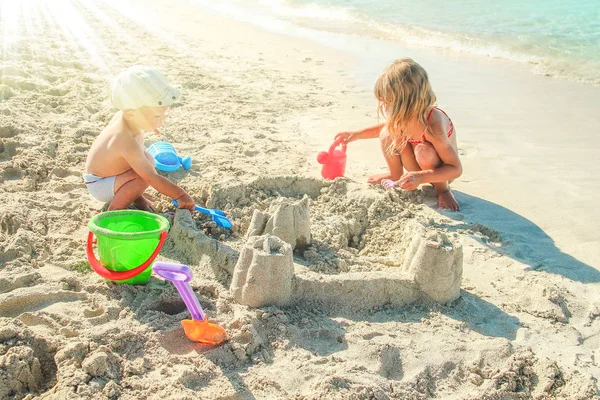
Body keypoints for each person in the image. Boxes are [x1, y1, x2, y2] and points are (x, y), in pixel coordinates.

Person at [334, 58, 462, 210]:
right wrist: (355, 135)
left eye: (388, 102)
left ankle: (443, 190)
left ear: (406, 102)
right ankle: (395, 174)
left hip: (441, 174)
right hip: (417, 168)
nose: (384, 106)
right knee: (387, 132)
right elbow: (383, 127)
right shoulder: (405, 115)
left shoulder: (433, 125)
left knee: (423, 150)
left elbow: (455, 168)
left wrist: (421, 177)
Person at [84, 65, 195, 211]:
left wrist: (150, 122)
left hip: (112, 175)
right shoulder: (124, 140)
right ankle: (114, 210)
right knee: (143, 175)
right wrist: (180, 195)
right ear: (131, 114)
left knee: (147, 160)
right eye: (157, 116)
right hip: (100, 184)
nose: (163, 119)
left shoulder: (128, 119)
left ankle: (135, 197)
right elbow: (151, 178)